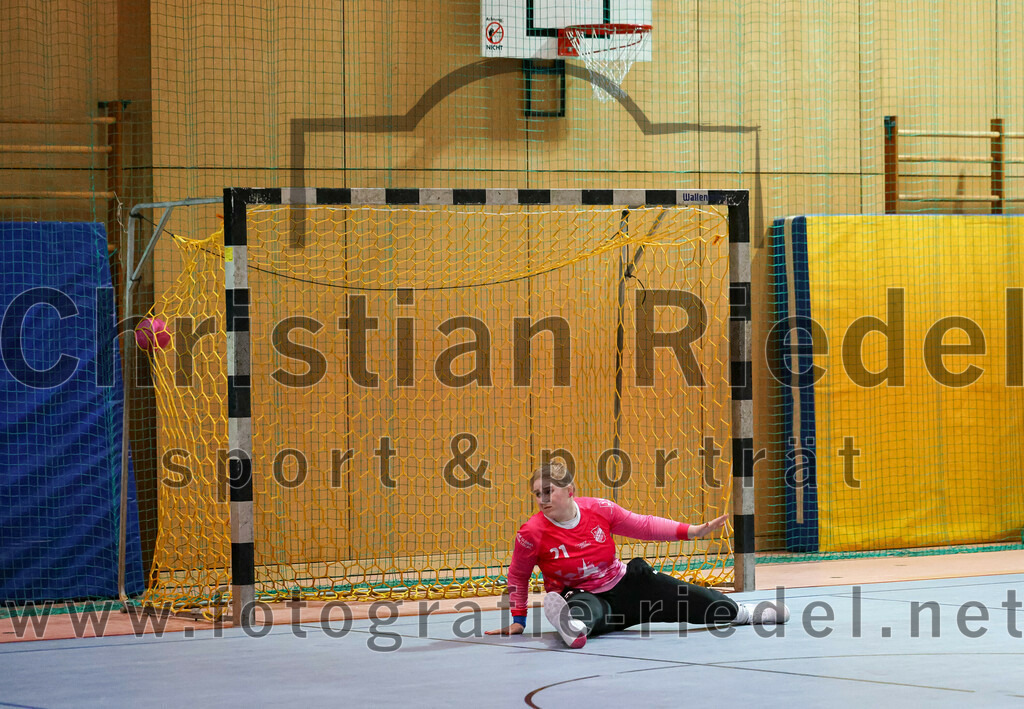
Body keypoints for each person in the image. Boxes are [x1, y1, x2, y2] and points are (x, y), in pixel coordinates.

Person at [486, 461, 789, 648]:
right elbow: (518, 575)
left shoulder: (600, 509)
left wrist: (692, 531)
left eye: (549, 491)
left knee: (690, 597)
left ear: (571, 490)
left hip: (626, 587)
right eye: (537, 493)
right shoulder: (532, 532)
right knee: (586, 610)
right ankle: (573, 627)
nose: (542, 498)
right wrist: (518, 619)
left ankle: (743, 613)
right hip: (580, 594)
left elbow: (644, 525)